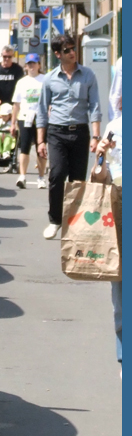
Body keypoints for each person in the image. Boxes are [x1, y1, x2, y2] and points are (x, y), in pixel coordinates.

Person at [36, 33, 103, 239]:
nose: (72, 53)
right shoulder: (49, 79)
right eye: (67, 50)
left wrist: (95, 137)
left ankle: (74, 222)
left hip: (80, 132)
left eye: (73, 48)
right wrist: (40, 140)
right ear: (58, 54)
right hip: (57, 132)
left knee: (77, 180)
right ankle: (55, 220)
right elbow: (41, 110)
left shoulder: (88, 75)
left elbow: (95, 107)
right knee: (57, 175)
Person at [97, 88, 122, 376]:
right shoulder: (115, 128)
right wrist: (101, 156)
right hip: (119, 205)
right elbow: (99, 177)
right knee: (121, 286)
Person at [10, 53, 47, 189]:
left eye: (34, 63)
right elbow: (16, 104)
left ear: (39, 65)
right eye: (29, 64)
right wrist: (13, 123)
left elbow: (49, 100)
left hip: (41, 118)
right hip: (25, 117)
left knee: (40, 149)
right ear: (26, 66)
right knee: (24, 148)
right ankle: (22, 176)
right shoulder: (21, 82)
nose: (31, 66)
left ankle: (41, 177)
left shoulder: (44, 80)